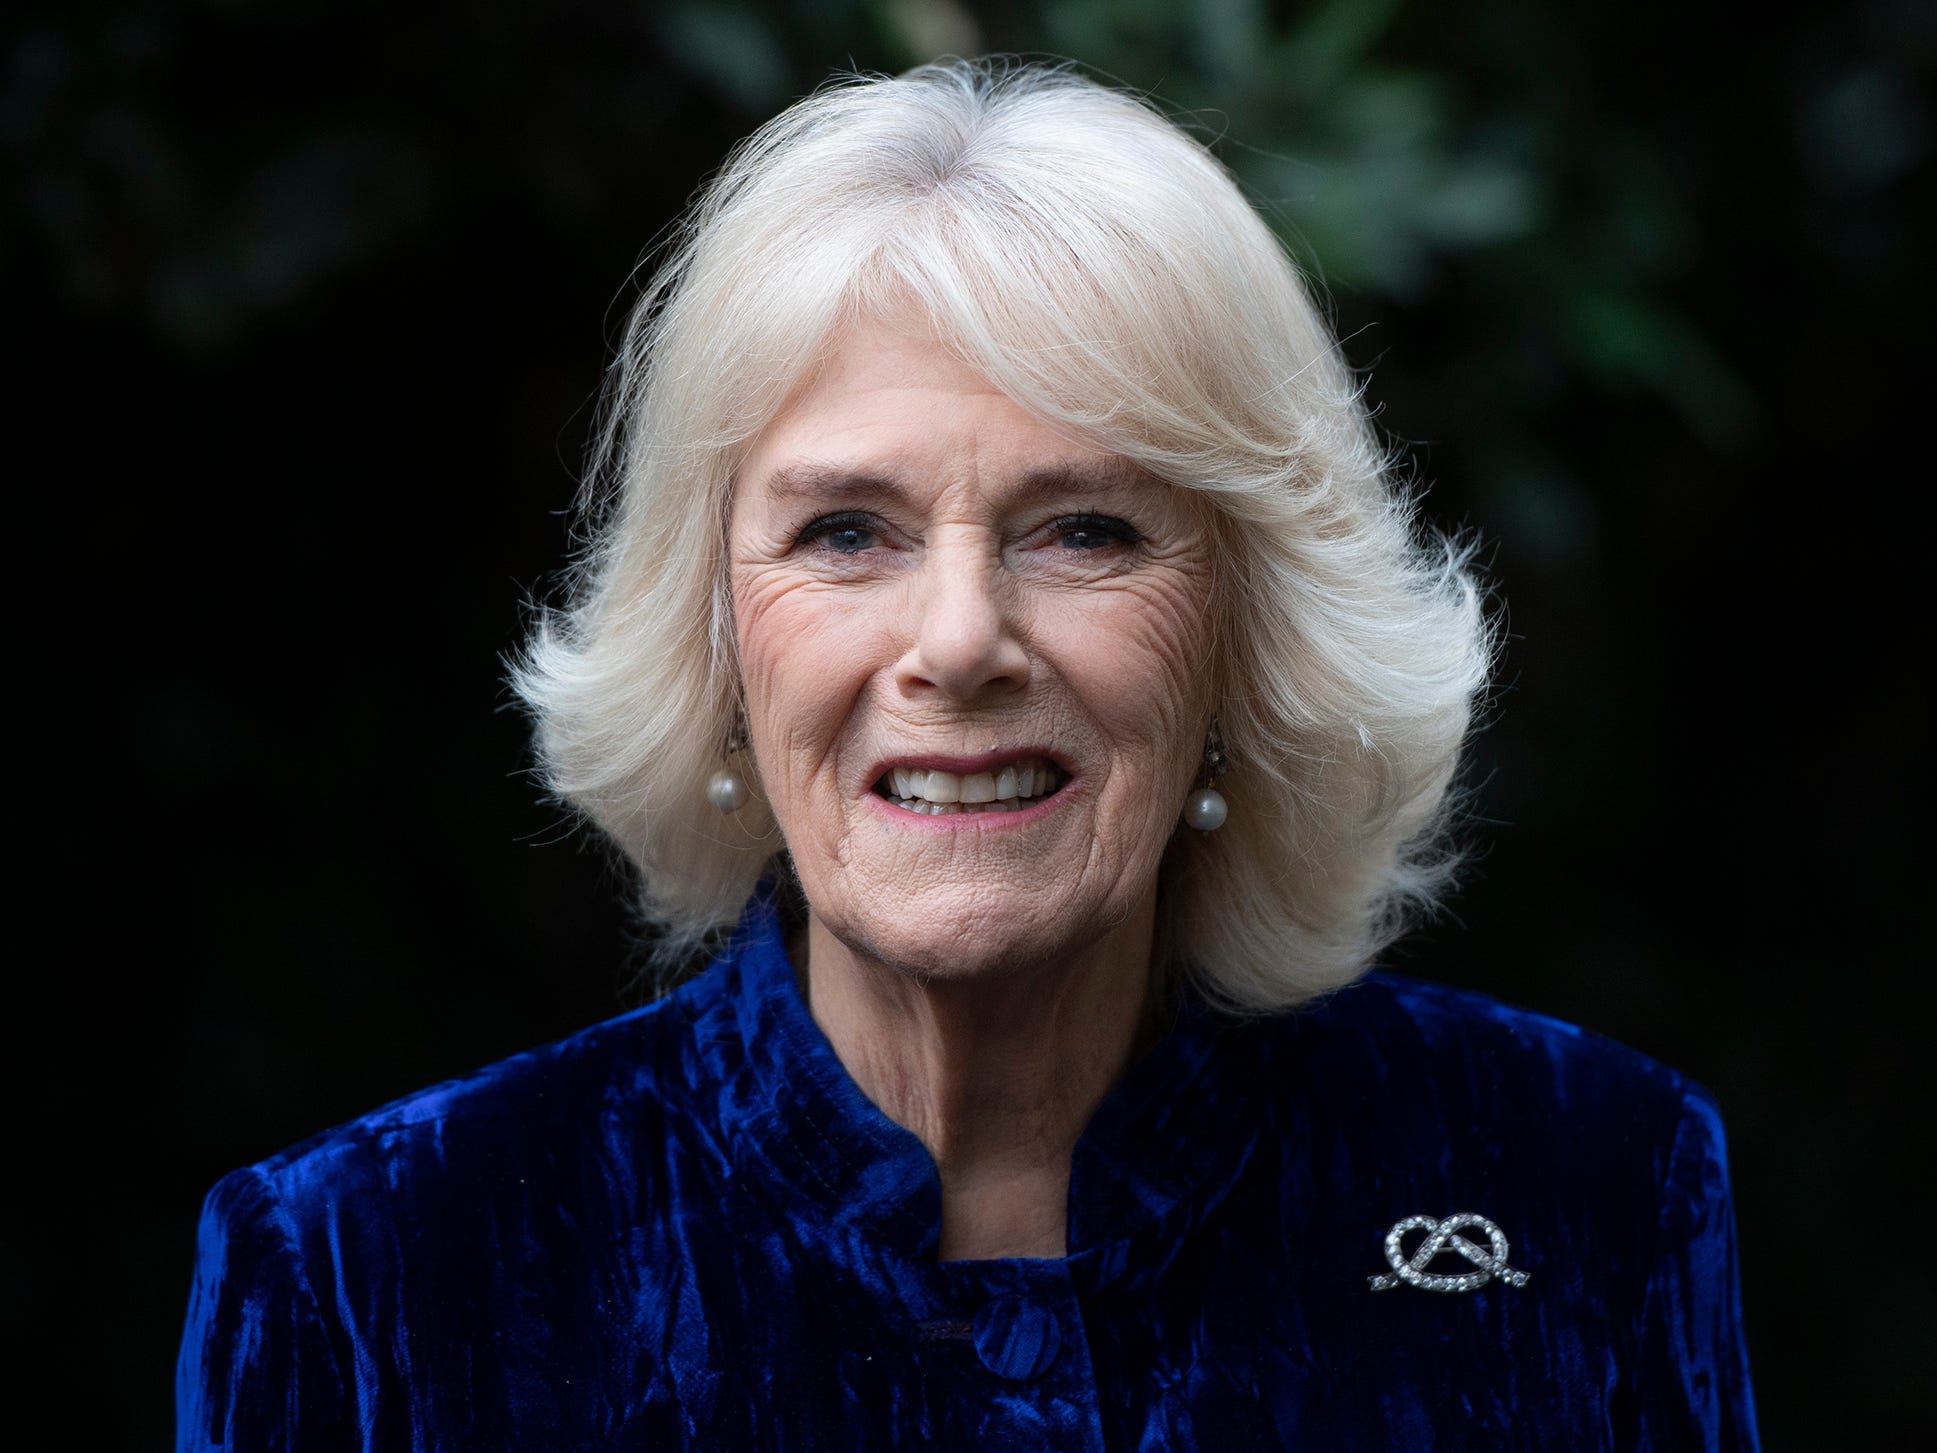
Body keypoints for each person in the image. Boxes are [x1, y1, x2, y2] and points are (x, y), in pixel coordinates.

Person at [177, 58, 1758, 1449]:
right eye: (845, 530)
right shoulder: (366, 1277)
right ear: (716, 637)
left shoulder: (1579, 1190)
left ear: (1245, 634)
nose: (957, 640)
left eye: (1084, 529)